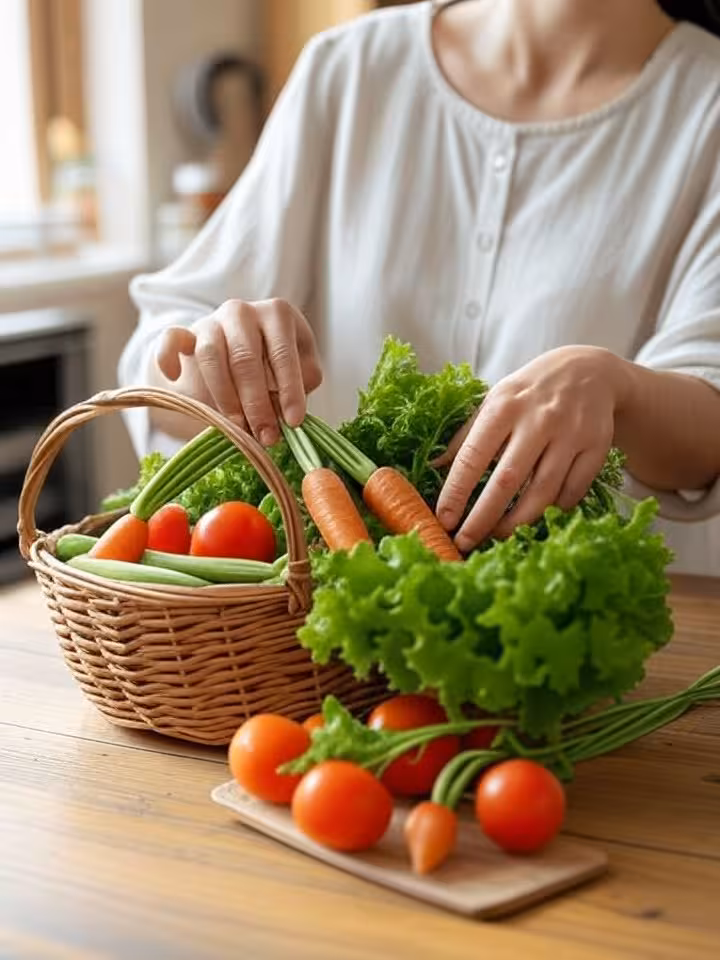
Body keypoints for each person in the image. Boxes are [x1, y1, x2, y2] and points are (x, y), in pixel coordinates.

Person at [119, 0, 720, 573]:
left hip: (596, 641)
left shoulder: (707, 103)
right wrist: (217, 363)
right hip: (309, 644)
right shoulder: (351, 68)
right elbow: (165, 353)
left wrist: (621, 389)